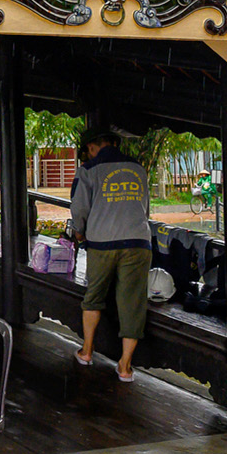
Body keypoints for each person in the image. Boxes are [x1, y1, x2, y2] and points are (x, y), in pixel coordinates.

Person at [69, 132, 151, 382]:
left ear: (92, 147)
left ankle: (87, 351)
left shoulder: (88, 169)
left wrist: (79, 232)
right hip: (138, 242)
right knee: (133, 303)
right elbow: (145, 206)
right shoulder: (138, 168)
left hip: (102, 243)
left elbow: (79, 207)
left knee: (94, 296)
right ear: (115, 144)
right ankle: (125, 367)